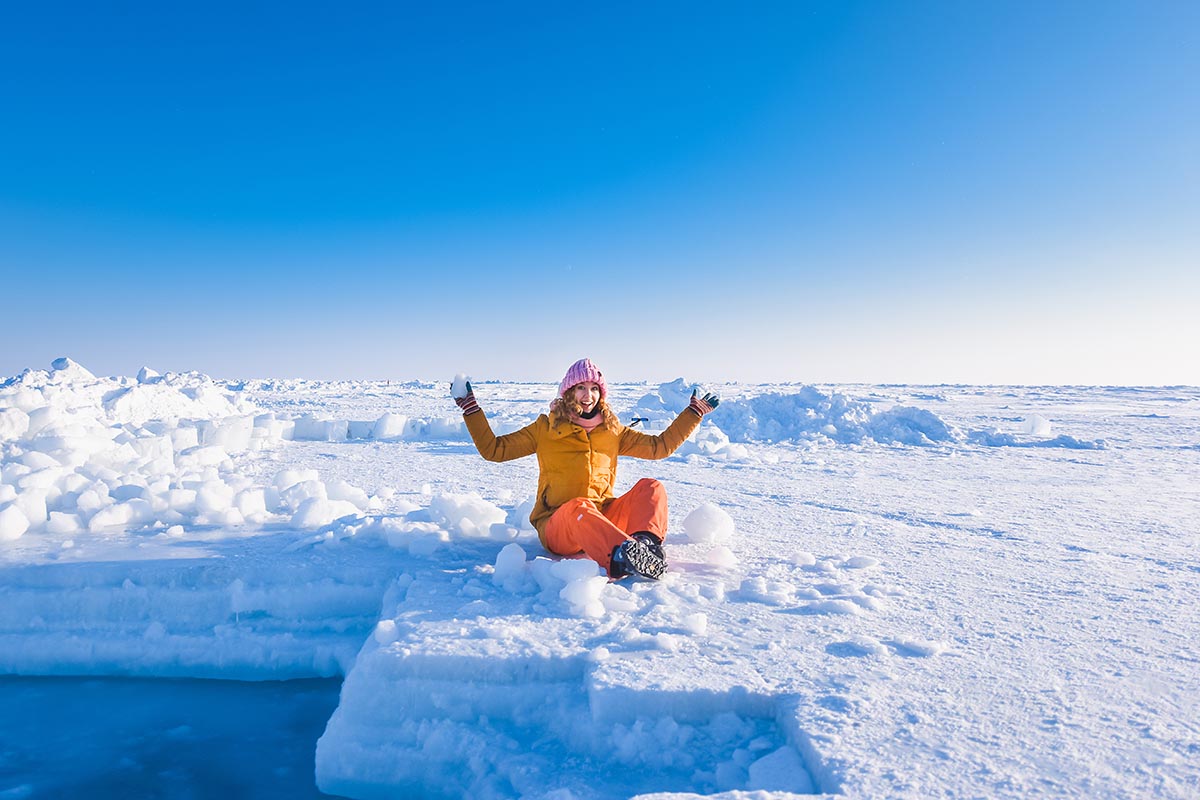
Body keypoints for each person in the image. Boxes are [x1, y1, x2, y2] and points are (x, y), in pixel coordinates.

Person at [452, 358, 719, 580]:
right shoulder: (545, 429)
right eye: (580, 387)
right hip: (559, 525)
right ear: (568, 392)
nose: (587, 395)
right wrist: (471, 409)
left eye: (594, 388)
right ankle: (620, 556)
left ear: (601, 393)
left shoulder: (612, 431)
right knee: (579, 506)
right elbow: (495, 450)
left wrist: (693, 414)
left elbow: (659, 447)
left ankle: (644, 547)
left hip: (602, 518)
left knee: (651, 487)